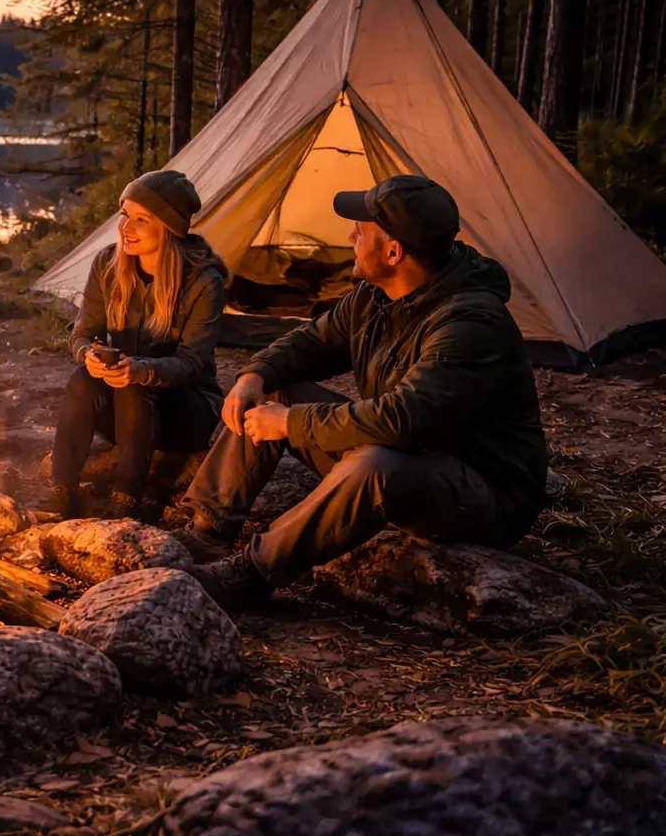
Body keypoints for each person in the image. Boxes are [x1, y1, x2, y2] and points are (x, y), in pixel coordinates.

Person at [175, 175, 549, 608]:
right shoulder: (378, 296)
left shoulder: (470, 324)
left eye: (362, 230)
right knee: (277, 395)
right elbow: (311, 343)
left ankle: (252, 573)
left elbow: (403, 421)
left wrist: (292, 425)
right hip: (414, 457)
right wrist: (253, 376)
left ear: (394, 251)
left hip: (484, 495)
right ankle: (206, 531)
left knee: (372, 462)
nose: (351, 236)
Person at [51, 170, 227, 519]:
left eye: (141, 220)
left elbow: (192, 363)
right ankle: (61, 491)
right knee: (81, 380)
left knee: (133, 385)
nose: (126, 228)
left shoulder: (203, 281)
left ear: (169, 228)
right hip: (125, 415)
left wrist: (143, 370)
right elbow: (81, 334)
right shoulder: (107, 264)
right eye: (125, 215)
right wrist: (89, 355)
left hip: (186, 411)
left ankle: (126, 499)